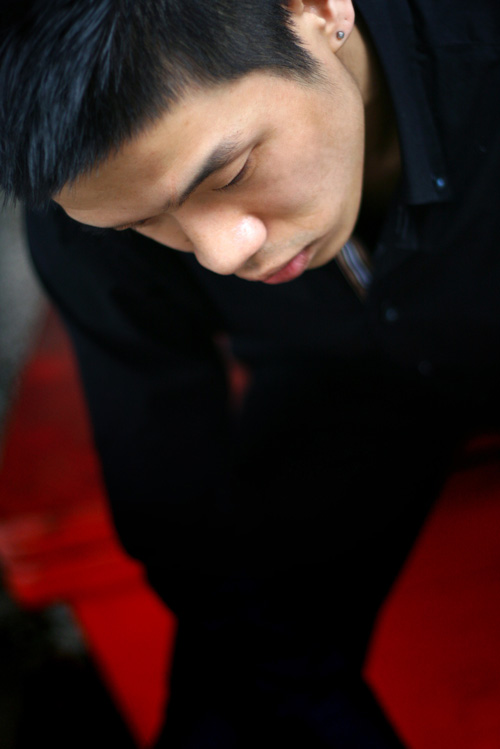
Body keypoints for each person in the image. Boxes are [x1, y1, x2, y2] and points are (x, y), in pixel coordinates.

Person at [1, 1, 499, 745]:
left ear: (317, 9)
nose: (221, 253)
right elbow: (176, 505)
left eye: (232, 172)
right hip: (340, 389)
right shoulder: (89, 209)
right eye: (146, 224)